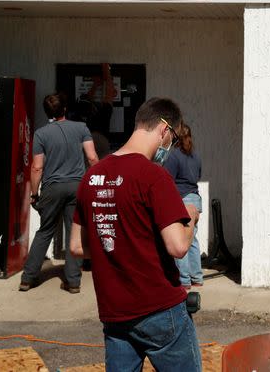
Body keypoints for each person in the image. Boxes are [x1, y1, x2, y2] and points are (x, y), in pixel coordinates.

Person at [70, 97, 202, 371]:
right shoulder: (153, 176)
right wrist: (190, 217)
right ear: (164, 130)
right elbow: (177, 246)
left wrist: (118, 243)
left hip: (115, 313)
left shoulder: (92, 177)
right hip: (160, 309)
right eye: (173, 140)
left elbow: (76, 247)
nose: (171, 147)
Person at [20, 92, 98, 293]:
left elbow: (37, 167)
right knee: (74, 230)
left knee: (45, 231)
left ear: (47, 112)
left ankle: (27, 278)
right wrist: (94, 183)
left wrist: (35, 193)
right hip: (77, 186)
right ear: (65, 109)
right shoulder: (81, 128)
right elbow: (92, 158)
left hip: (53, 187)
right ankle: (73, 281)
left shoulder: (41, 134)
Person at [164, 121, 204, 288]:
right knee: (192, 239)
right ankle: (197, 278)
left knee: (181, 240)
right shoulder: (195, 156)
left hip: (182, 201)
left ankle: (184, 280)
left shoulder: (173, 155)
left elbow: (167, 179)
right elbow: (199, 176)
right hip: (195, 199)